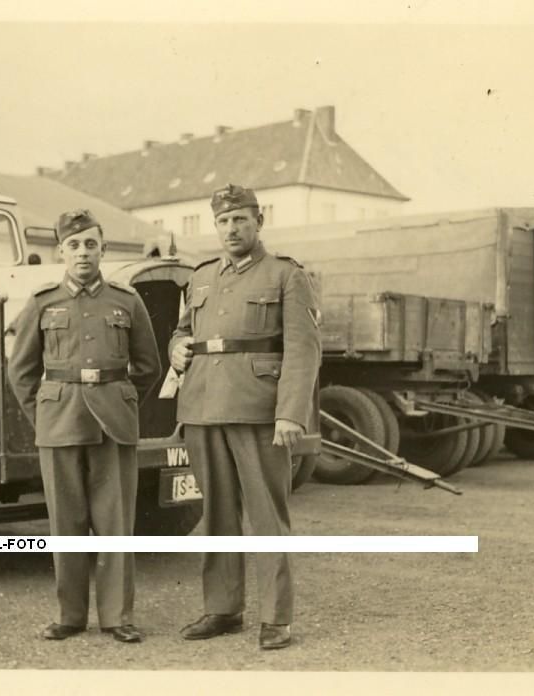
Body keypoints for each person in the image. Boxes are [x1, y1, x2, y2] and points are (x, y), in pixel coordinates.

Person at [169, 184, 322, 650]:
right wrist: (175, 346)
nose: (231, 228)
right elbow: (184, 332)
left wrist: (290, 413)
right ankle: (222, 608)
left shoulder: (285, 275)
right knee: (215, 515)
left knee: (267, 516)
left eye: (240, 219)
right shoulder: (200, 277)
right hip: (203, 407)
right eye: (223, 220)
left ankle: (277, 618)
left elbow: (303, 349)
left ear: (259, 221)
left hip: (259, 410)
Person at [8, 209, 161, 644]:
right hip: (59, 422)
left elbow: (148, 366)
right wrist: (44, 415)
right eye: (74, 245)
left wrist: (124, 402)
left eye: (91, 244)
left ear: (103, 249)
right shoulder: (42, 302)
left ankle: (117, 617)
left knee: (116, 524)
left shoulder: (126, 301)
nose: (83, 252)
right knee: (66, 524)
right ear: (60, 251)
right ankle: (70, 615)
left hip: (113, 423)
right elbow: (20, 372)